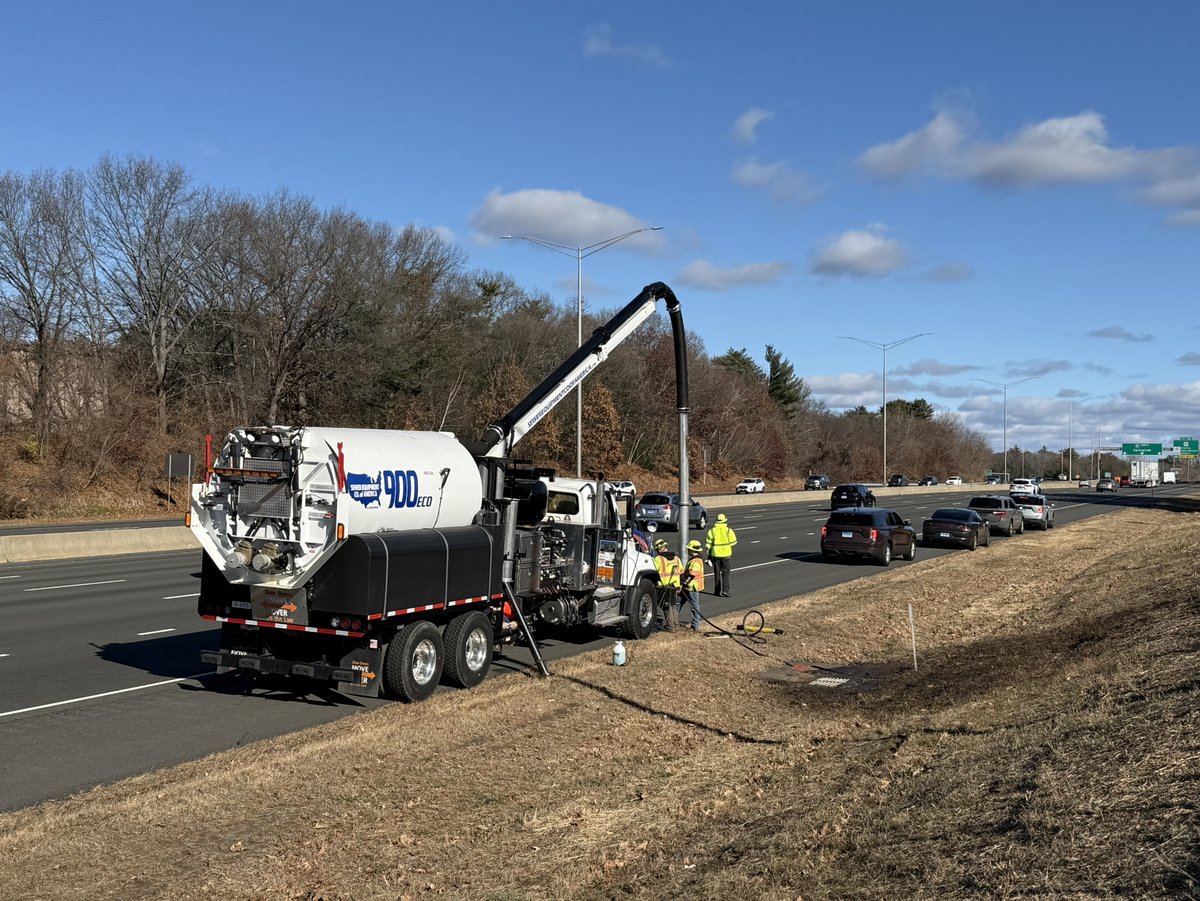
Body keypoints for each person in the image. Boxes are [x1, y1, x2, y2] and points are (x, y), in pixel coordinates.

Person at [652, 538, 682, 632]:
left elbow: (653, 572)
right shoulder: (676, 558)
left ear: (660, 549)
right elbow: (681, 571)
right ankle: (676, 626)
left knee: (666, 607)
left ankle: (670, 627)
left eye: (657, 550)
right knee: (673, 605)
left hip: (663, 587)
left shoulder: (658, 559)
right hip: (674, 586)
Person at [705, 512, 737, 597]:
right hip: (726, 555)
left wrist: (709, 555)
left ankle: (717, 591)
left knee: (717, 573)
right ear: (725, 520)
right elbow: (733, 542)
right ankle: (725, 591)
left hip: (715, 555)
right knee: (725, 574)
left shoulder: (712, 531)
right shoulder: (728, 530)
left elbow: (708, 545)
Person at [679, 539, 705, 631]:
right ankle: (673, 622)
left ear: (692, 550)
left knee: (694, 606)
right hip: (687, 587)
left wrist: (684, 582)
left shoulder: (696, 561)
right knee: (678, 603)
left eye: (689, 549)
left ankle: (695, 626)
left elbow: (692, 575)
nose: (688, 551)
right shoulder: (694, 559)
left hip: (692, 587)